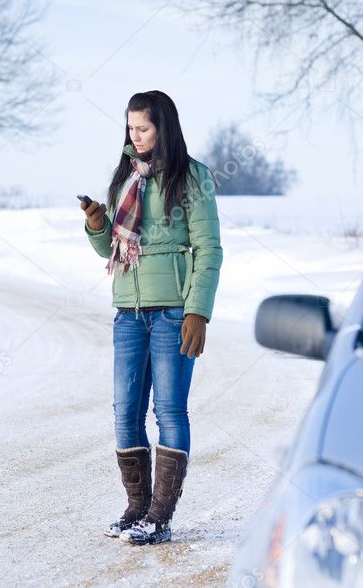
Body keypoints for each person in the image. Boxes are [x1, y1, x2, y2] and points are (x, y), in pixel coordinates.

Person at [80, 90, 223, 545]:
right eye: (130, 128)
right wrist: (98, 224)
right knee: (125, 413)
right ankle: (136, 508)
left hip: (172, 311)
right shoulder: (127, 175)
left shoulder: (191, 177)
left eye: (143, 128)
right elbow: (112, 250)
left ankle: (160, 516)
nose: (135, 136)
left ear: (164, 126)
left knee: (169, 410)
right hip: (128, 312)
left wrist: (198, 310)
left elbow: (209, 249)